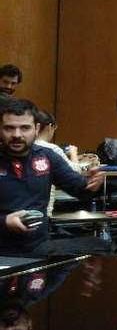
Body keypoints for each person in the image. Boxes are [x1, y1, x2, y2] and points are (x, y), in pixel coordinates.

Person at [0, 99, 104, 256]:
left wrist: (93, 184)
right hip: (2, 249)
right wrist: (5, 222)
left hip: (38, 246)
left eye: (25, 128)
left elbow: (81, 189)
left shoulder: (48, 157)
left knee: (100, 245)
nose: (17, 135)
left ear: (36, 129)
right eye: (9, 128)